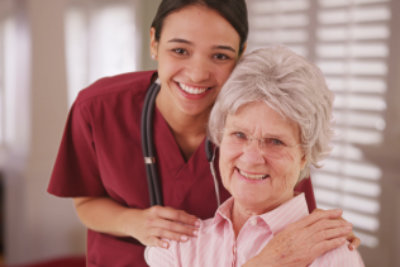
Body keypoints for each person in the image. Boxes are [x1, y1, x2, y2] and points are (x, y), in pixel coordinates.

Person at [48, 1, 359, 266]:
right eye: (180, 50)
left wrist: (330, 243)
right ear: (154, 42)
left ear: (241, 53)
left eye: (220, 56)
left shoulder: (262, 119)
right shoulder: (99, 108)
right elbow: (86, 200)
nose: (197, 73)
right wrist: (135, 222)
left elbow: (295, 223)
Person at [145, 46, 365, 266]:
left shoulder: (334, 257)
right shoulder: (176, 246)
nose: (251, 158)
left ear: (304, 155)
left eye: (275, 141)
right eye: (239, 134)